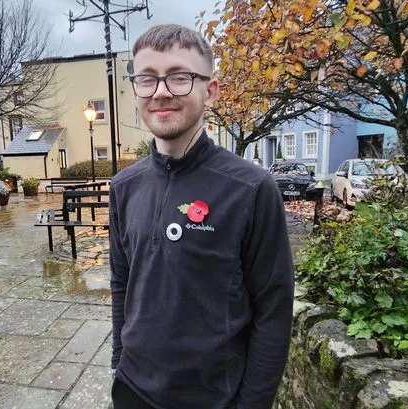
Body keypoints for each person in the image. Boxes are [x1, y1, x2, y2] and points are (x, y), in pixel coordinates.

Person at [109, 24, 294, 409]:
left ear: (210, 91)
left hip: (213, 399)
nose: (161, 91)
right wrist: (117, 362)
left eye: (179, 77)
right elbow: (122, 282)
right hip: (132, 390)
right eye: (147, 79)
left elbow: (274, 313)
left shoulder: (251, 189)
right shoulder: (124, 187)